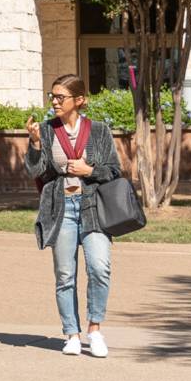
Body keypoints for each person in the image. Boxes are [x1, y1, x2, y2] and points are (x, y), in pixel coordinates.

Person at [28, 71, 122, 358]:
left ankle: (94, 330)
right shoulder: (45, 130)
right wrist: (34, 145)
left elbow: (115, 170)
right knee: (65, 274)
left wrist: (89, 171)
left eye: (60, 97)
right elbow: (36, 171)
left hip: (93, 208)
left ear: (79, 100)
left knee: (99, 268)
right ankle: (71, 333)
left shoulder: (99, 130)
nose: (55, 102)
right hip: (61, 209)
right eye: (52, 96)